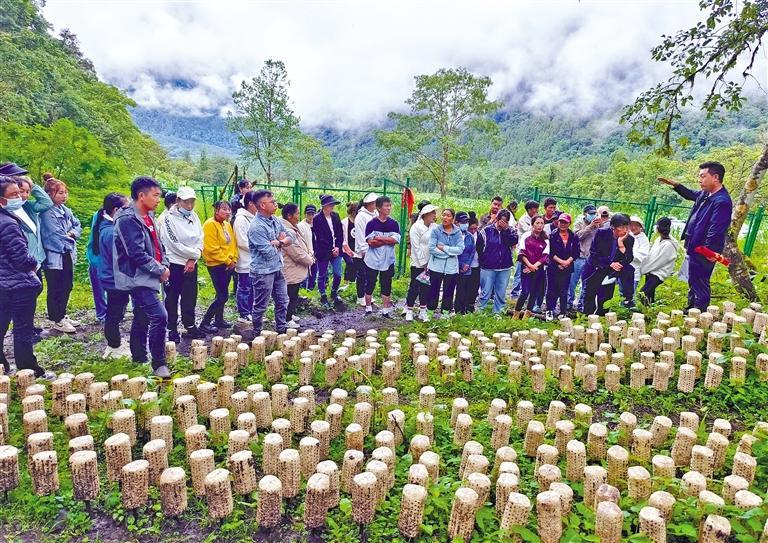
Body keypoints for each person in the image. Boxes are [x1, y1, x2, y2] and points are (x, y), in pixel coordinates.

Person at [113, 176, 172, 378]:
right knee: (159, 315)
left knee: (142, 315)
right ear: (141, 195)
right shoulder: (128, 219)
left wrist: (164, 264)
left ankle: (138, 355)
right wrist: (160, 270)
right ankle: (159, 363)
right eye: (155, 195)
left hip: (151, 273)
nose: (158, 199)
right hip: (136, 276)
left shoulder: (148, 215)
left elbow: (157, 245)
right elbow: (135, 253)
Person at [658, 161, 732, 312]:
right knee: (693, 278)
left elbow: (716, 229)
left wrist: (709, 251)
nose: (700, 180)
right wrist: (676, 185)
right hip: (694, 245)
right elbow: (691, 194)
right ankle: (691, 307)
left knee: (700, 280)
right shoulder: (706, 194)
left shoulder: (722, 201)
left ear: (715, 177)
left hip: (704, 250)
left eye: (703, 176)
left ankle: (700, 312)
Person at [0, 175, 51, 378]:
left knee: (2, 324)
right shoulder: (8, 223)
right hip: (18, 285)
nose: (19, 197)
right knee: (23, 330)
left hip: (3, 284)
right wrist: (34, 264)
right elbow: (21, 258)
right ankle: (29, 370)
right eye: (13, 194)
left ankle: (2, 366)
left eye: (20, 193)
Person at [157, 186, 205, 341]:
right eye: (186, 202)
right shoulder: (168, 219)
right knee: (172, 297)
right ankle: (171, 328)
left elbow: (200, 237)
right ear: (178, 201)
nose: (189, 206)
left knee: (190, 296)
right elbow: (173, 243)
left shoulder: (194, 216)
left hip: (191, 263)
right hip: (174, 263)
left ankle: (190, 325)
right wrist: (195, 254)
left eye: (192, 202)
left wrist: (193, 259)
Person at [40, 174, 82, 333]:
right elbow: (55, 237)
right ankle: (56, 318)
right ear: (50, 195)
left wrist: (72, 234)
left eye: (65, 192)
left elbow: (77, 225)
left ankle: (62, 314)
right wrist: (70, 238)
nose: (64, 196)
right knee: (56, 287)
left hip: (67, 254)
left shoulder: (65, 210)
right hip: (55, 256)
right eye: (60, 193)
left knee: (67, 285)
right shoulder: (47, 213)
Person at [248, 190, 291, 335]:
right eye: (272, 202)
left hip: (277, 268)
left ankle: (281, 329)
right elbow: (269, 253)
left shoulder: (275, 220)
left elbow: (291, 237)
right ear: (262, 205)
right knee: (261, 305)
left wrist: (279, 242)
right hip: (262, 272)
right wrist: (281, 243)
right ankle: (257, 333)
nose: (275, 203)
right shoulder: (256, 227)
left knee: (282, 301)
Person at [94, 192, 132, 359]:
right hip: (114, 279)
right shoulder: (110, 232)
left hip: (115, 278)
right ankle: (113, 346)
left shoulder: (110, 227)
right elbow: (120, 258)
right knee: (114, 312)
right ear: (116, 210)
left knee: (117, 309)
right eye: (126, 208)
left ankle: (114, 341)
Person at [581, 213, 635, 316]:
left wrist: (621, 246)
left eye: (627, 227)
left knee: (606, 297)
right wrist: (610, 263)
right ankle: (587, 318)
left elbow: (629, 259)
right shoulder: (602, 234)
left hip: (610, 272)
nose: (624, 230)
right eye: (621, 227)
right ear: (613, 227)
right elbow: (593, 254)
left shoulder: (629, 239)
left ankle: (603, 316)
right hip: (596, 267)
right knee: (589, 295)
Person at [200, 201, 238, 334]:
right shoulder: (210, 224)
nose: (227, 212)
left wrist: (233, 259)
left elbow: (232, 244)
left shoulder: (227, 225)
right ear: (216, 210)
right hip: (216, 265)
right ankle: (205, 323)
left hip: (228, 264)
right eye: (223, 209)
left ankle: (219, 319)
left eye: (228, 209)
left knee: (221, 293)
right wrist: (228, 261)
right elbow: (211, 248)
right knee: (222, 296)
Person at [363, 196, 401, 317]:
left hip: (388, 260)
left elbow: (395, 240)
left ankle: (385, 310)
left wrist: (379, 238)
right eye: (386, 206)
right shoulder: (371, 223)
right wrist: (387, 240)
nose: (389, 208)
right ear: (379, 208)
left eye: (390, 205)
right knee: (370, 283)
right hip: (372, 260)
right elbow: (370, 243)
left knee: (386, 284)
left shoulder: (394, 224)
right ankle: (368, 308)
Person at [476, 209, 518, 314]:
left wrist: (506, 230)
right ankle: (481, 311)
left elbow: (513, 241)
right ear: (497, 219)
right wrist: (484, 261)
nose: (502, 223)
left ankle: (498, 312)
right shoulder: (486, 231)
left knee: (501, 292)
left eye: (506, 221)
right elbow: (479, 248)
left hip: (505, 267)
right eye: (501, 220)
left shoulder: (510, 231)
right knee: (485, 292)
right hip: (488, 267)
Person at [279, 202, 314, 328]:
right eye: (297, 213)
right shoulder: (286, 230)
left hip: (293, 269)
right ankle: (287, 319)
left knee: (293, 294)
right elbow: (296, 253)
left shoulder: (290, 227)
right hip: (290, 269)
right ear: (289, 216)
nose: (299, 216)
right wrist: (309, 260)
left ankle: (289, 314)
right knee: (290, 295)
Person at [427, 208, 464, 318]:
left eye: (448, 216)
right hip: (436, 266)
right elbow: (432, 248)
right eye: (443, 215)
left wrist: (445, 248)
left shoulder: (457, 232)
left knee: (449, 291)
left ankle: (445, 314)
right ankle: (430, 313)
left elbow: (460, 249)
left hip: (451, 268)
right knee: (433, 290)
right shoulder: (436, 230)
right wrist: (449, 253)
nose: (445, 218)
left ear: (453, 218)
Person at [404, 203, 437, 322]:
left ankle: (423, 310)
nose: (434, 215)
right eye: (432, 213)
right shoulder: (416, 227)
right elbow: (416, 247)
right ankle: (409, 310)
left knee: (426, 287)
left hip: (431, 262)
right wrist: (423, 263)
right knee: (415, 286)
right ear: (426, 214)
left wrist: (430, 263)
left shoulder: (434, 227)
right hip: (418, 263)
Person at [570, 204, 606, 312]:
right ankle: (568, 304)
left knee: (586, 284)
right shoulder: (579, 223)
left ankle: (582, 305)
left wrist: (600, 226)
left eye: (594, 213)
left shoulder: (599, 224)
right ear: (585, 214)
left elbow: (603, 238)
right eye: (590, 213)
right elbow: (576, 237)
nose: (593, 215)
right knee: (572, 282)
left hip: (591, 259)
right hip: (579, 257)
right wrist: (590, 227)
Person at [514, 215, 549, 319]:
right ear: (532, 224)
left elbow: (545, 256)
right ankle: (516, 314)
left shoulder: (546, 239)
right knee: (524, 292)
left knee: (534, 292)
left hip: (538, 269)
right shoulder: (526, 236)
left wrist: (534, 267)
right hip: (526, 268)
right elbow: (522, 252)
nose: (539, 225)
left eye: (542, 223)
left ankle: (527, 315)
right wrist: (529, 266)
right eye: (537, 223)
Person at [545, 213, 580, 320]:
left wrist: (567, 262)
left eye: (565, 222)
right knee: (551, 289)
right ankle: (550, 310)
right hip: (554, 267)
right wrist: (560, 262)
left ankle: (563, 311)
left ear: (569, 223)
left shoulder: (574, 236)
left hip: (567, 267)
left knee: (564, 290)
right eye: (561, 222)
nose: (563, 224)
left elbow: (576, 252)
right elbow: (550, 253)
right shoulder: (552, 235)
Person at [313, 194, 344, 307]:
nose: (332, 206)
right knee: (322, 274)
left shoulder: (335, 216)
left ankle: (334, 292)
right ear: (324, 206)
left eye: (333, 204)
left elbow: (340, 233)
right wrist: (331, 248)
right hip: (323, 251)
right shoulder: (317, 218)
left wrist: (338, 247)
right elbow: (319, 237)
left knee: (338, 273)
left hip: (336, 249)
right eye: (331, 204)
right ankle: (323, 295)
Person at [639, 217, 679, 304]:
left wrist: (644, 269)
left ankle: (647, 312)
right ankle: (648, 315)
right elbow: (652, 255)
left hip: (659, 273)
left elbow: (658, 262)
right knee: (649, 296)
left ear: (657, 228)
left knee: (643, 293)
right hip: (651, 271)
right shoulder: (658, 240)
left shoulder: (668, 245)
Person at [233, 191, 258, 326]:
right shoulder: (241, 219)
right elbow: (242, 241)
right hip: (244, 260)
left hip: (254, 260)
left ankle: (251, 312)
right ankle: (243, 313)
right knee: (244, 287)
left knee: (252, 288)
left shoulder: (253, 217)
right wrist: (258, 247)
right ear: (250, 204)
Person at [353, 193, 379, 306]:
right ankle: (360, 296)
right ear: (368, 204)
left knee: (372, 275)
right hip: (363, 251)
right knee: (362, 274)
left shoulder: (376, 214)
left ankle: (368, 294)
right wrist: (364, 250)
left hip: (374, 249)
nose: (375, 204)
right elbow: (360, 235)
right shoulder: (361, 216)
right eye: (373, 202)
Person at [511, 200, 540, 298]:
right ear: (529, 209)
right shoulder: (523, 220)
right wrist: (538, 225)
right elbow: (530, 231)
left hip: (534, 251)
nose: (536, 211)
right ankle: (514, 294)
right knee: (519, 272)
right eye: (534, 209)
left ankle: (526, 294)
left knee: (531, 272)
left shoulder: (537, 219)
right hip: (523, 251)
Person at [621, 215, 650, 307]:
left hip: (635, 269)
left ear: (640, 227)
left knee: (630, 292)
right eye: (631, 225)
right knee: (622, 291)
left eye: (636, 225)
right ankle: (623, 308)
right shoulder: (626, 236)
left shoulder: (643, 239)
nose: (633, 227)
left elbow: (643, 255)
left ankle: (628, 309)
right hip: (623, 267)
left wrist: (630, 254)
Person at [454, 212, 480, 314]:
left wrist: (467, 264)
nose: (465, 224)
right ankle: (457, 309)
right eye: (463, 222)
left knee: (466, 289)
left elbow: (472, 251)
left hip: (467, 267)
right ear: (457, 222)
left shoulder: (469, 236)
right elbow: (455, 251)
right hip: (456, 265)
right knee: (458, 288)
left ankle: (464, 309)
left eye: (466, 222)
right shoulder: (454, 235)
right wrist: (461, 265)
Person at [299, 204, 317, 292]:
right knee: (304, 275)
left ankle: (311, 291)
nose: (311, 216)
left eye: (313, 214)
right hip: (306, 254)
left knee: (313, 274)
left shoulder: (318, 225)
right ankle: (303, 293)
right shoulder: (301, 226)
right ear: (305, 214)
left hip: (316, 253)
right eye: (309, 214)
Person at [341, 202, 358, 284]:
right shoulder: (344, 222)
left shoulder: (359, 221)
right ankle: (346, 283)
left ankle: (351, 283)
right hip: (346, 248)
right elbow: (342, 237)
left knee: (355, 265)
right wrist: (347, 249)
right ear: (354, 211)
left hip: (357, 248)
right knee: (350, 263)